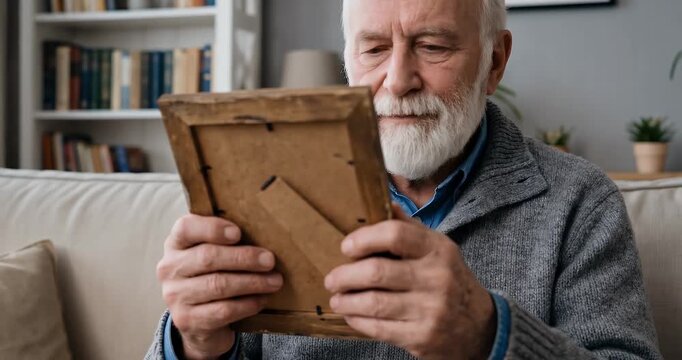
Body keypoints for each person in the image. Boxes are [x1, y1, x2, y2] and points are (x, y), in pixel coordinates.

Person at [146, 0, 662, 359]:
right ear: (348, 59)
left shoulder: (579, 201)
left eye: (432, 45)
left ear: (494, 62)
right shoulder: (257, 184)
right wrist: (192, 344)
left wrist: (487, 336)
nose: (397, 80)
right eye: (373, 49)